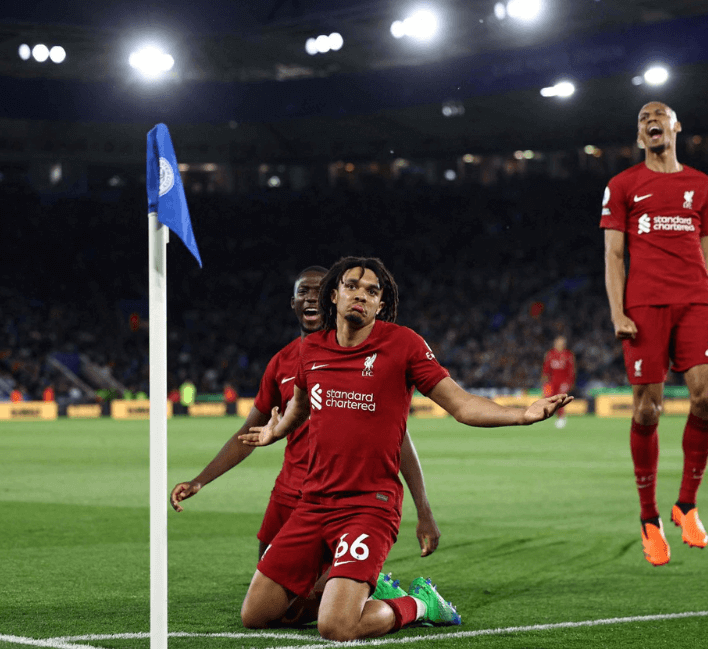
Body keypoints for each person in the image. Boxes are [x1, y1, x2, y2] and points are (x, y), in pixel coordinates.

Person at [238, 257, 572, 641]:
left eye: (372, 291)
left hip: (367, 506)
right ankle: (356, 590)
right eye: (352, 286)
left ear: (381, 304)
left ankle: (419, 604)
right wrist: (273, 432)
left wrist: (521, 415)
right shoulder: (311, 350)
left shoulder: (403, 345)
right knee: (256, 614)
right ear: (334, 295)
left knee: (337, 627)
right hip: (313, 502)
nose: (360, 295)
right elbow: (299, 405)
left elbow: (461, 404)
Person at [170, 265, 443, 625]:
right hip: (292, 497)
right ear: (294, 302)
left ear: (330, 297)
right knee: (276, 613)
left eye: (317, 290)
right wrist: (201, 480)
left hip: (348, 497)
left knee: (333, 613)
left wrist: (424, 508)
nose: (310, 297)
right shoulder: (283, 361)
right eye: (303, 291)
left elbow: (398, 440)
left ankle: (387, 598)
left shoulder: (364, 353)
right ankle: (369, 593)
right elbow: (249, 433)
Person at [601, 102, 708, 566]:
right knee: (648, 410)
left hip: (695, 302)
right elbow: (614, 256)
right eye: (642, 118)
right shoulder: (622, 185)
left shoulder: (704, 186)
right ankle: (649, 518)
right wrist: (617, 310)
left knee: (706, 398)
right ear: (639, 136)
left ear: (676, 126)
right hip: (645, 305)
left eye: (660, 115)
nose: (651, 120)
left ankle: (686, 504)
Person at [541, 335, 575, 428]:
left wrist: (570, 382)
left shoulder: (568, 355)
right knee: (549, 398)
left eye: (562, 343)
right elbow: (546, 369)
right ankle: (548, 415)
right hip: (552, 382)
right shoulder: (550, 354)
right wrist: (544, 381)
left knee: (560, 399)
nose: (560, 344)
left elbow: (571, 370)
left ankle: (561, 417)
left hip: (564, 382)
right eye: (558, 342)